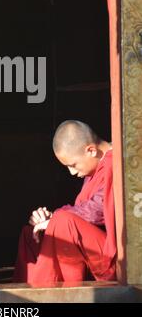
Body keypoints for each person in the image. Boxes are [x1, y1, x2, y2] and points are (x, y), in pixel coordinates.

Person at [13, 120, 116, 285]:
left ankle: (46, 295)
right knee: (31, 234)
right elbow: (82, 210)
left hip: (112, 253)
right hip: (93, 243)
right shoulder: (94, 166)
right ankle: (24, 293)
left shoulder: (115, 162)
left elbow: (98, 209)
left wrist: (55, 219)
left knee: (63, 222)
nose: (72, 172)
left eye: (73, 165)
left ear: (91, 150)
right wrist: (49, 219)